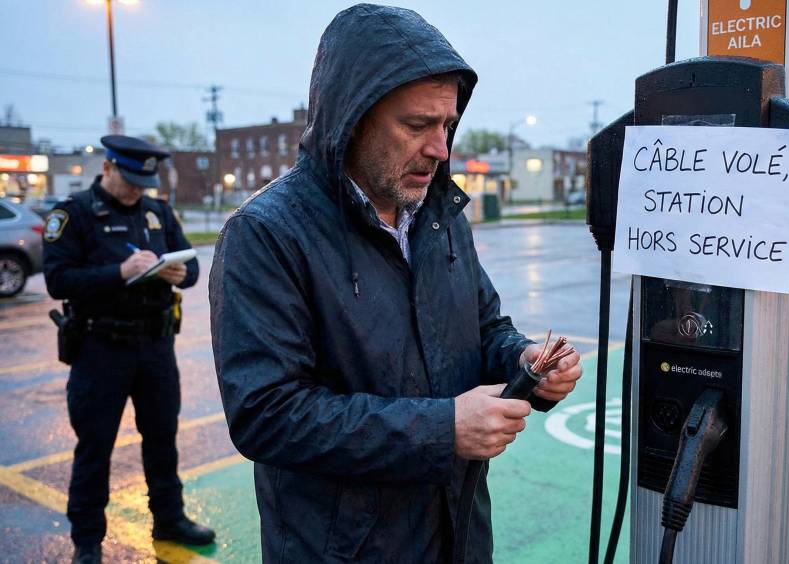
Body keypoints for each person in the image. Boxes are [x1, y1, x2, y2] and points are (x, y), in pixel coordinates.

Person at [209, 4, 582, 563]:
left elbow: (483, 328)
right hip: (344, 550)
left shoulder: (441, 216)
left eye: (447, 125)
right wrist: (441, 431)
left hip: (456, 533)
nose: (440, 149)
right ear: (351, 118)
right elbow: (266, 414)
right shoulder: (266, 234)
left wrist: (524, 363)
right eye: (417, 126)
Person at [43, 135, 215, 564]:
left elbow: (193, 267)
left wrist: (179, 273)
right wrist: (119, 271)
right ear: (108, 168)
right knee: (95, 445)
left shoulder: (156, 212)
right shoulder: (75, 214)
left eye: (144, 181)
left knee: (162, 439)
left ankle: (169, 518)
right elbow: (58, 280)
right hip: (100, 348)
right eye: (130, 180)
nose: (138, 190)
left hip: (155, 345)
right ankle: (87, 541)